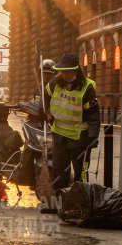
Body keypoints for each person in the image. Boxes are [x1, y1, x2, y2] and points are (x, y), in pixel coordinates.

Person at [43, 50, 100, 192]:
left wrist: (93, 137)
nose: (64, 74)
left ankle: (82, 198)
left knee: (81, 174)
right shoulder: (55, 82)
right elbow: (45, 96)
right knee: (59, 172)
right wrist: (47, 112)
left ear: (75, 71)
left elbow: (93, 115)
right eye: (62, 71)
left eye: (67, 72)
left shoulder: (87, 88)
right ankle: (59, 199)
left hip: (79, 139)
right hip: (59, 136)